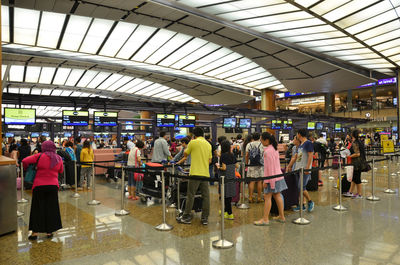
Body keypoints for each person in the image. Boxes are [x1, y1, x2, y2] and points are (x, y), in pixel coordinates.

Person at [23, 141, 63, 240]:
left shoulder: (39, 156)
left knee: (37, 208)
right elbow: (61, 170)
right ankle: (49, 232)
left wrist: (28, 168)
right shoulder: (58, 158)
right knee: (51, 208)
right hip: (53, 185)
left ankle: (35, 233)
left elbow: (24, 161)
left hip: (39, 185)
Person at [177, 127, 212, 225]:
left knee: (191, 195)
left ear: (194, 135)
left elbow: (185, 153)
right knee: (206, 196)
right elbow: (209, 161)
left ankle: (186, 216)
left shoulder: (193, 142)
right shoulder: (208, 144)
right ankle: (205, 218)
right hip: (205, 173)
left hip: (195, 173)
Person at [254, 132, 287, 225]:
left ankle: (265, 219)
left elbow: (269, 168)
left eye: (261, 140)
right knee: (277, 195)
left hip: (271, 178)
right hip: (278, 176)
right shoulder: (274, 149)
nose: (261, 141)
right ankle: (282, 216)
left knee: (267, 197)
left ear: (266, 140)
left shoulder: (267, 152)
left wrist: (267, 181)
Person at [287, 128, 315, 212]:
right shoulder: (301, 144)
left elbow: (310, 155)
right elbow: (298, 157)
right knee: (300, 188)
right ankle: (301, 205)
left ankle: (310, 201)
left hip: (304, 169)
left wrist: (307, 167)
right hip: (299, 169)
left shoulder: (308, 143)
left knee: (301, 187)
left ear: (299, 134)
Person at [217, 140, 237, 220]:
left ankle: (230, 213)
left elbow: (224, 168)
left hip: (225, 177)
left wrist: (218, 167)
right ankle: (225, 211)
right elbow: (237, 165)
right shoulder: (232, 155)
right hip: (232, 176)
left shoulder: (223, 156)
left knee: (225, 196)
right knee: (229, 196)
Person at [344, 130, 366, 198]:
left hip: (357, 163)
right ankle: (350, 192)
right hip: (360, 162)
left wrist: (349, 156)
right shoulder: (360, 142)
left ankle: (359, 194)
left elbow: (357, 154)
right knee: (354, 178)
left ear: (352, 135)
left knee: (357, 179)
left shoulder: (355, 143)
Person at [245, 132, 264, 203]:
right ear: (259, 137)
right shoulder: (261, 144)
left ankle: (250, 197)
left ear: (252, 137)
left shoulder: (249, 144)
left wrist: (247, 164)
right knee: (259, 181)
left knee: (252, 181)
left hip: (251, 164)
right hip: (259, 165)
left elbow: (247, 155)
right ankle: (259, 197)